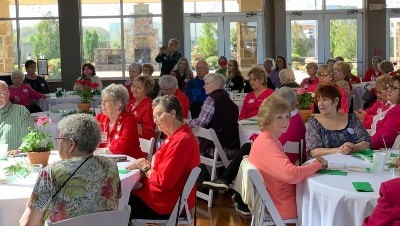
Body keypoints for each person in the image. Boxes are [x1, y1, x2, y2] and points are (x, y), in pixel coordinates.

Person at [19, 114, 121, 226]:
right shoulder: (110, 165)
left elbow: (27, 223)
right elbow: (114, 205)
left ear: (71, 144)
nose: (58, 144)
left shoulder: (51, 172)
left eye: (59, 139)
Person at [203, 87, 307, 192]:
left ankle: (231, 184)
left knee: (246, 152)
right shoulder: (294, 117)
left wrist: (258, 139)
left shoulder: (288, 121)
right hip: (285, 157)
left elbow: (274, 143)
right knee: (247, 149)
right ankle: (228, 182)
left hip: (281, 162)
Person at [246, 95, 327, 219]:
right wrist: (318, 164)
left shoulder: (266, 138)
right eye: (279, 117)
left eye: (287, 117)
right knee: (325, 203)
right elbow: (291, 175)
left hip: (274, 199)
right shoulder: (267, 143)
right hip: (283, 204)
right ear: (267, 119)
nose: (285, 121)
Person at [126, 95, 200, 220]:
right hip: (159, 197)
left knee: (117, 205)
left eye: (159, 115)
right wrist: (145, 164)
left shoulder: (182, 141)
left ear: (172, 113)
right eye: (154, 116)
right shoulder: (174, 137)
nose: (155, 120)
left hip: (164, 203)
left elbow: (163, 182)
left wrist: (145, 168)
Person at [306, 84, 371, 157]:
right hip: (327, 165)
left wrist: (352, 148)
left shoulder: (351, 118)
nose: (321, 104)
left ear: (336, 101)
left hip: (354, 163)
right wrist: (339, 150)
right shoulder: (314, 123)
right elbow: (313, 151)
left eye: (325, 99)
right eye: (318, 100)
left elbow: (366, 142)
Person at [189, 73, 240, 160]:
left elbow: (200, 123)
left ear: (217, 85)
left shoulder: (211, 99)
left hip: (216, 150)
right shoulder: (228, 100)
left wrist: (186, 122)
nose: (204, 86)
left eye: (207, 83)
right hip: (233, 148)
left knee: (188, 148)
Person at [96, 84, 145, 159]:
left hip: (129, 163)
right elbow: (91, 139)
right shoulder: (100, 118)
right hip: (106, 161)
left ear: (119, 104)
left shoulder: (129, 120)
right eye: (102, 101)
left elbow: (123, 145)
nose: (102, 104)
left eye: (106, 101)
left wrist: (99, 152)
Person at [0, 81, 33, 151]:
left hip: (15, 159)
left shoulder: (21, 111)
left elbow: (29, 137)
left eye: (1, 94)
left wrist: (20, 150)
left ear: (8, 94)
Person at [370, 75, 400, 149]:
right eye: (389, 87)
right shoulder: (393, 106)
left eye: (393, 88)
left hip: (386, 153)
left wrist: (364, 144)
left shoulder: (397, 110)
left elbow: (384, 137)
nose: (389, 90)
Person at [126, 75, 156, 140]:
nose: (134, 89)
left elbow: (149, 133)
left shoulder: (149, 106)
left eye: (139, 88)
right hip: (129, 138)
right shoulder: (131, 103)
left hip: (142, 143)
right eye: (133, 86)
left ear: (146, 90)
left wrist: (134, 125)